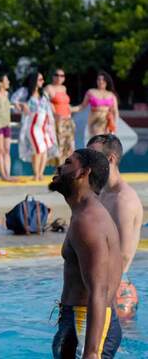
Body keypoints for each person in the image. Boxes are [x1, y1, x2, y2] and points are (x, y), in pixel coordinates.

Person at [49, 148, 122, 358]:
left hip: (84, 323)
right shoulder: (82, 213)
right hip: (81, 320)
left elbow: (99, 290)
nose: (60, 167)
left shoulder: (88, 221)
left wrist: (91, 351)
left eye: (68, 163)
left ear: (84, 173)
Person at [87, 134, 143, 320]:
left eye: (93, 156)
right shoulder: (102, 193)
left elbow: (124, 254)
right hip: (102, 284)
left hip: (116, 289)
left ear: (110, 159)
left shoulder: (123, 200)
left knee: (117, 345)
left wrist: (104, 293)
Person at [12, 71, 58, 181]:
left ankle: (40, 173)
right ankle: (36, 174)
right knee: (38, 149)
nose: (42, 81)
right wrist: (22, 105)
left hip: (44, 125)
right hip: (32, 124)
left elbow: (48, 109)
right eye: (40, 79)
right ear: (34, 81)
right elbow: (13, 99)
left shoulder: (43, 94)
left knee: (44, 149)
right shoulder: (25, 91)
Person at [73, 71, 119, 137]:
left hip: (108, 122)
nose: (101, 81)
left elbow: (115, 111)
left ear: (107, 81)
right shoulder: (91, 92)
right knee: (97, 140)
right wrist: (71, 109)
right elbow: (82, 106)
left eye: (103, 79)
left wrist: (114, 124)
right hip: (95, 121)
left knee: (105, 144)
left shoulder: (111, 95)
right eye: (99, 79)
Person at [45, 68, 75, 164]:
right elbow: (45, 103)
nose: (59, 77)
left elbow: (66, 105)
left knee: (69, 146)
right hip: (57, 121)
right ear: (53, 77)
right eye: (56, 75)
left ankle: (66, 169)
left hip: (68, 120)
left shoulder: (63, 88)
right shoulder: (49, 88)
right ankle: (59, 170)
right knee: (59, 146)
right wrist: (54, 114)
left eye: (62, 75)